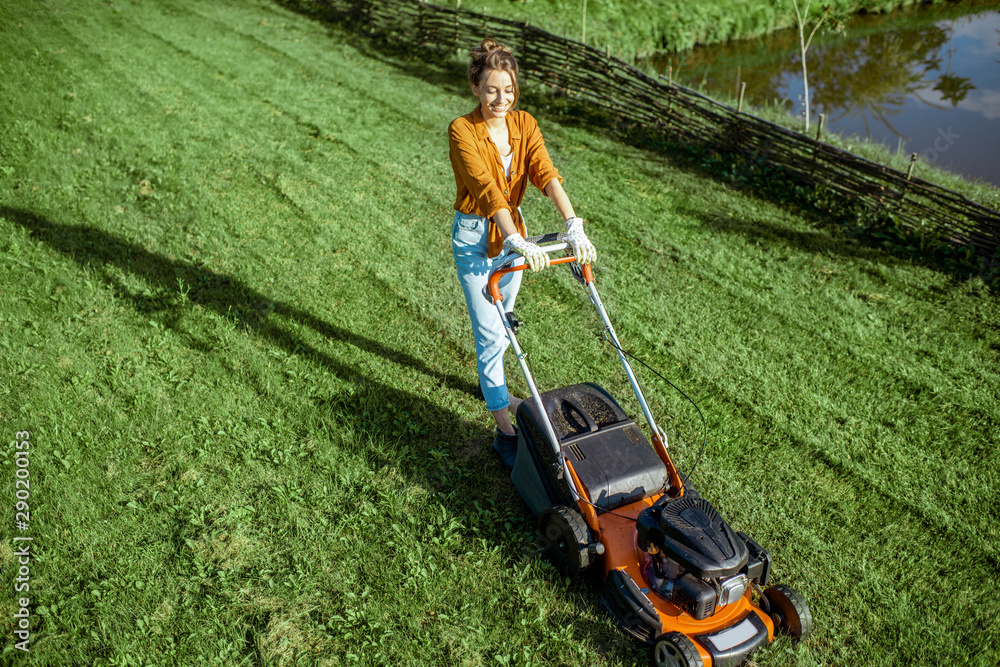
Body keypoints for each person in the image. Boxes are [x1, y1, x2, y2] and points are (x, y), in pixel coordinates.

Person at [448, 38, 597, 468]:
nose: (501, 99)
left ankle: (496, 388)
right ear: (476, 87)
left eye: (509, 90)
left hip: (515, 234)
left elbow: (543, 170)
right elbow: (486, 189)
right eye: (492, 90)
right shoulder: (462, 130)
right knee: (492, 333)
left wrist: (573, 223)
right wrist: (514, 238)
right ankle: (505, 430)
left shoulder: (525, 123)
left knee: (505, 327)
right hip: (478, 237)